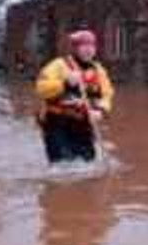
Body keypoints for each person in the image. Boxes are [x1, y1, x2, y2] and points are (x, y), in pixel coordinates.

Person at [35, 29, 114, 163]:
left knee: (88, 162)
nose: (88, 49)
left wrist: (101, 111)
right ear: (75, 48)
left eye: (92, 45)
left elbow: (107, 95)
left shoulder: (99, 71)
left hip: (83, 125)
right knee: (62, 165)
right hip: (57, 124)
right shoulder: (59, 65)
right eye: (84, 45)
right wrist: (65, 84)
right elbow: (40, 88)